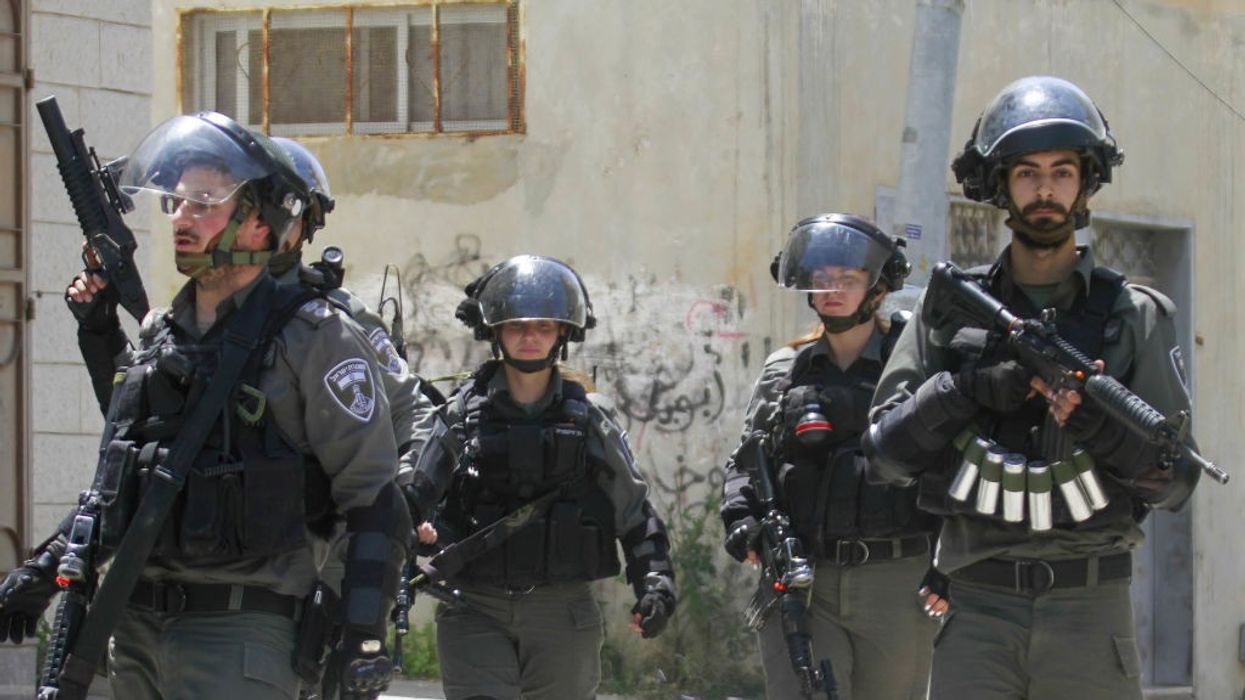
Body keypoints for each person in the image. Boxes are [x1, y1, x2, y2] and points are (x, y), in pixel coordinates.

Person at [0, 112, 409, 699]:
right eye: (175, 202)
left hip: (242, 632)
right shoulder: (163, 336)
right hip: (134, 626)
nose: (180, 218)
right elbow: (129, 479)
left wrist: (360, 633)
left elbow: (372, 497)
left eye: (204, 202)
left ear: (261, 225)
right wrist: (45, 569)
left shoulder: (314, 337)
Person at [863, 76, 1201, 700]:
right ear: (1000, 185)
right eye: (1026, 173)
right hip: (976, 602)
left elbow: (1176, 480)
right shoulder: (953, 309)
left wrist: (1101, 427)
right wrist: (965, 389)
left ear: (1085, 182)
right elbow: (884, 455)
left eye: (1062, 171)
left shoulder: (1135, 315)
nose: (1045, 189)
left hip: (1090, 602)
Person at [402, 255, 676, 700]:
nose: (529, 337)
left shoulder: (590, 417)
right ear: (495, 332)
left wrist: (655, 580)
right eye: (517, 325)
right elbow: (415, 493)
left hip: (561, 610)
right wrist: (410, 535)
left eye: (543, 326)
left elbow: (634, 509)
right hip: (475, 606)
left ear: (563, 333)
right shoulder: (460, 415)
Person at [720, 213, 939, 699]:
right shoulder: (787, 370)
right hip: (805, 578)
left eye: (848, 279)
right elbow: (746, 461)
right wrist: (742, 517)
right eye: (822, 280)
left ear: (878, 288)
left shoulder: (913, 367)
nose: (832, 290)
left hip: (896, 579)